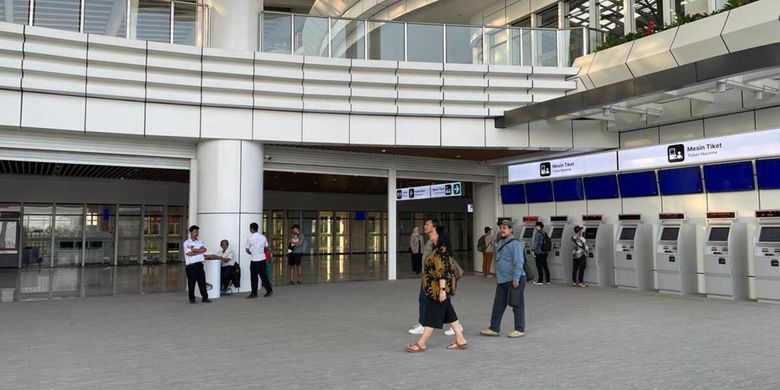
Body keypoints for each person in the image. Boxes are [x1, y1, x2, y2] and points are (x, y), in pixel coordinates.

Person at [405, 225, 468, 352]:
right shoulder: (438, 249)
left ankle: (421, 343)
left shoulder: (441, 251)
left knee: (432, 316)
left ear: (439, 235)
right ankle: (461, 339)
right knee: (449, 313)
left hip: (437, 289)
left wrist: (442, 290)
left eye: (432, 232)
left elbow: (442, 271)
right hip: (436, 288)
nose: (429, 233)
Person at [480, 219, 526, 338]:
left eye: (505, 228)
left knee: (517, 305)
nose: (502, 230)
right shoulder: (500, 242)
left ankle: (519, 329)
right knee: (498, 305)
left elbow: (519, 262)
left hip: (515, 279)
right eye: (501, 228)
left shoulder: (515, 243)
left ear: (510, 230)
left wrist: (516, 278)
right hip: (502, 280)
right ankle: (494, 328)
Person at [183, 225, 211, 304]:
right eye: (195, 232)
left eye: (197, 232)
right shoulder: (186, 243)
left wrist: (195, 250)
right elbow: (189, 253)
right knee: (191, 283)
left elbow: (204, 249)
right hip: (191, 266)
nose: (197, 233)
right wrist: (200, 251)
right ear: (190, 232)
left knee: (202, 282)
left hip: (200, 264)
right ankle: (192, 299)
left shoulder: (200, 241)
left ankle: (205, 298)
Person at [246, 222, 273, 298]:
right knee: (263, 276)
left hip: (254, 260)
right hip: (262, 259)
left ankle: (254, 293)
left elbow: (247, 249)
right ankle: (269, 291)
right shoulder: (263, 237)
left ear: (251, 229)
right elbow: (266, 247)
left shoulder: (250, 238)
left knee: (254, 277)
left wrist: (252, 253)